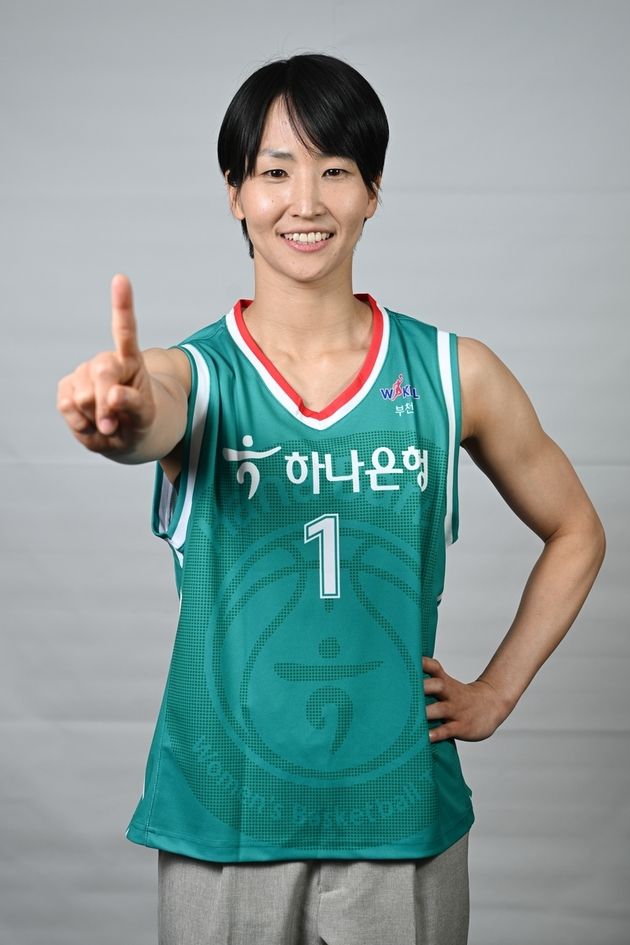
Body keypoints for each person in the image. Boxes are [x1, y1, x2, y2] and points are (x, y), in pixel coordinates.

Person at [57, 53, 605, 945]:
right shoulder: (197, 374)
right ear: (235, 193)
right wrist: (117, 418)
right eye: (275, 172)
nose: (304, 201)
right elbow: (151, 413)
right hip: (225, 818)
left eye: (336, 170)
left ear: (373, 192)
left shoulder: (452, 372)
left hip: (401, 815)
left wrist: (499, 691)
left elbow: (577, 529)